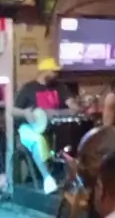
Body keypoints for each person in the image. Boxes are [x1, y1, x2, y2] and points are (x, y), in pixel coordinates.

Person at [13, 58, 80, 194]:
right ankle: (47, 178)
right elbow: (13, 111)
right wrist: (25, 113)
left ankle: (69, 178)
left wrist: (66, 109)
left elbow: (73, 106)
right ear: (45, 71)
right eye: (53, 71)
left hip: (53, 129)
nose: (56, 74)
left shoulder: (60, 87)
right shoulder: (28, 88)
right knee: (38, 140)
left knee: (70, 137)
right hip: (30, 128)